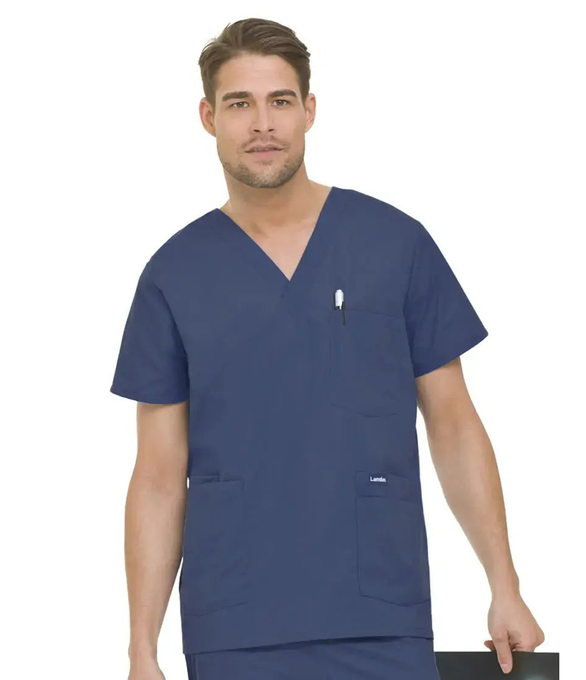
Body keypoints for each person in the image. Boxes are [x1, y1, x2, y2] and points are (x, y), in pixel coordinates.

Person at [110, 16, 545, 680]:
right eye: (240, 104)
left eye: (280, 101)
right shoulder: (174, 275)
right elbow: (158, 475)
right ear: (208, 117)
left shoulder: (394, 244)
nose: (263, 124)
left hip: (381, 613)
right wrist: (142, 647)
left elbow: (454, 423)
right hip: (235, 624)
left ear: (309, 111)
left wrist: (504, 584)